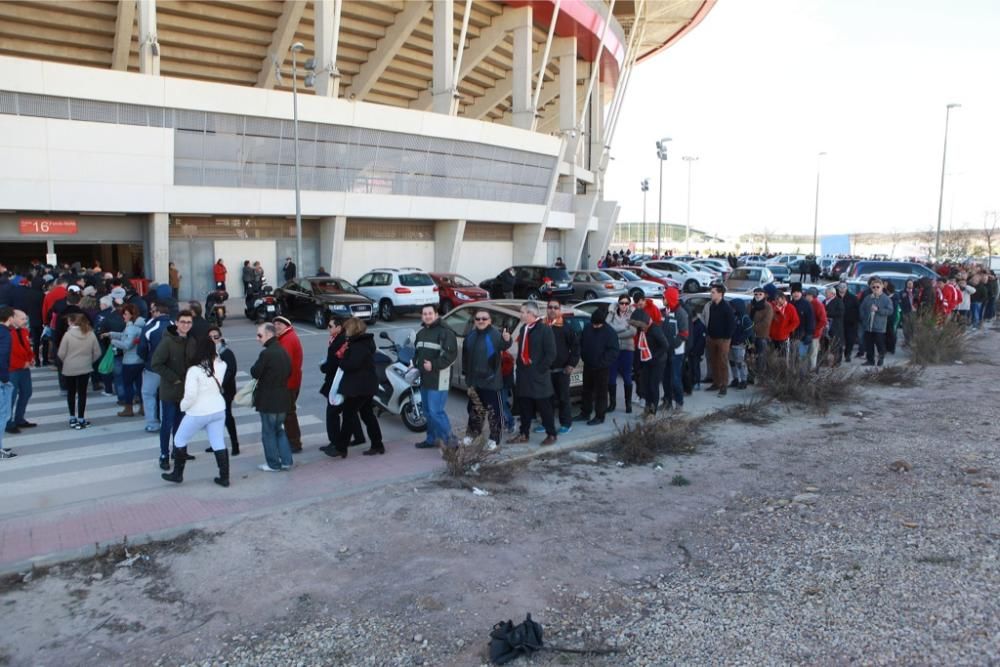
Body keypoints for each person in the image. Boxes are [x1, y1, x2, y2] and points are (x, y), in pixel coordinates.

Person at [161, 336, 230, 487]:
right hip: (218, 409)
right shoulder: (222, 365)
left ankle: (177, 474)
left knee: (179, 440)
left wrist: (183, 407)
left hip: (199, 411)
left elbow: (191, 395)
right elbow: (218, 360)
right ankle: (224, 477)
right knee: (218, 441)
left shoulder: (194, 370)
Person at [330, 318, 384, 457]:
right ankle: (378, 444)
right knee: (367, 415)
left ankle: (341, 448)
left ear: (353, 330)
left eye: (347, 328)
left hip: (359, 388)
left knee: (348, 416)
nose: (345, 331)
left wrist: (341, 361)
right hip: (365, 386)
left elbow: (351, 365)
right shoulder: (363, 342)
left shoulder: (358, 345)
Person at [151, 310, 198, 469]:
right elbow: (156, 364)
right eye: (183, 322)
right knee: (167, 424)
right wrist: (174, 378)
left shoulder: (191, 341)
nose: (186, 325)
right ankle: (164, 454)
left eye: (189, 322)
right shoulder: (167, 342)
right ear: (176, 323)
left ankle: (178, 450)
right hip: (170, 391)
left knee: (181, 424)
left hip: (186, 392)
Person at [507, 302, 557, 446]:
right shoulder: (524, 329)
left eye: (523, 312)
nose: (521, 314)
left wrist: (540, 369)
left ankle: (551, 434)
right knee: (524, 407)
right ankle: (524, 433)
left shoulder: (544, 329)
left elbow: (551, 353)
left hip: (539, 377)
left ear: (531, 313)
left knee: (544, 407)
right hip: (524, 376)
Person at [461, 309, 511, 445]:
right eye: (478, 319)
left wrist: (507, 339)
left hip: (491, 383)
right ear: (474, 321)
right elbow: (465, 357)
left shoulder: (495, 335)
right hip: (475, 383)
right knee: (475, 411)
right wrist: (467, 377)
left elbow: (504, 345)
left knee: (494, 413)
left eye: (484, 318)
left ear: (490, 321)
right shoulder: (470, 336)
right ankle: (472, 434)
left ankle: (494, 439)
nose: (481, 321)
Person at [251, 322, 294, 471]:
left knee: (268, 433)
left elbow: (255, 372)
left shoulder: (267, 353)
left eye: (259, 335)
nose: (258, 338)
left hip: (269, 400)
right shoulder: (283, 350)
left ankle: (273, 464)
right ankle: (286, 460)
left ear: (269, 335)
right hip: (282, 398)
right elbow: (289, 371)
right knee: (279, 430)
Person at [413, 305, 458, 448]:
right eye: (424, 314)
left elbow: (451, 356)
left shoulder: (445, 332)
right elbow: (417, 354)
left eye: (430, 313)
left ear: (436, 314)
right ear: (422, 316)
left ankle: (451, 441)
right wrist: (415, 363)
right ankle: (431, 439)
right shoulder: (420, 333)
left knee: (435, 412)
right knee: (427, 412)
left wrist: (433, 365)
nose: (427, 316)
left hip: (440, 379)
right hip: (425, 378)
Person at [319, 318, 364, 454]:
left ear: (339, 327)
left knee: (332, 413)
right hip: (345, 381)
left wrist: (323, 368)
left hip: (337, 381)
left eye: (330, 326)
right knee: (348, 409)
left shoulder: (340, 342)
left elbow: (334, 364)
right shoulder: (342, 339)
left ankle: (335, 443)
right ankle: (359, 436)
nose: (328, 328)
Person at [57, 313, 102, 429]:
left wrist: (67, 361)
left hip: (69, 367)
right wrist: (89, 360)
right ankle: (81, 418)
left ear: (72, 322)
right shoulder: (90, 334)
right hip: (85, 366)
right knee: (82, 393)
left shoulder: (67, 335)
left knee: (71, 393)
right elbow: (97, 352)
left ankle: (72, 417)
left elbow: (61, 353)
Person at [540, 300, 579, 435]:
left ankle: (566, 424)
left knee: (563, 398)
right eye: (550, 307)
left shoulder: (566, 328)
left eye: (555, 308)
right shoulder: (542, 326)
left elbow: (575, 348)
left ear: (560, 310)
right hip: (545, 371)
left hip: (561, 370)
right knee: (545, 399)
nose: (552, 310)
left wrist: (571, 364)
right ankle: (546, 423)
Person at [574, 309, 619, 425]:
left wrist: (602, 362)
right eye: (593, 323)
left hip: (601, 368)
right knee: (586, 391)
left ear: (602, 323)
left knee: (601, 393)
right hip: (588, 365)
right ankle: (585, 412)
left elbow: (613, 351)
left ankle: (600, 416)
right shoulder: (588, 328)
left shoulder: (610, 333)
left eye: (597, 324)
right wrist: (584, 356)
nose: (594, 326)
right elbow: (581, 342)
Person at [630, 300, 670, 415]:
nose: (639, 328)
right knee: (645, 385)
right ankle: (647, 408)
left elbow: (665, 345)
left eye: (640, 325)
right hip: (646, 361)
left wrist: (654, 357)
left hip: (658, 361)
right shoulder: (642, 330)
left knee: (653, 386)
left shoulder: (655, 330)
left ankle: (653, 411)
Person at [104, 304, 145, 417]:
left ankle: (128, 408)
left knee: (128, 385)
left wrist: (113, 341)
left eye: (126, 314)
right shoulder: (139, 326)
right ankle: (142, 407)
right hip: (139, 360)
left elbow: (127, 344)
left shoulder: (130, 328)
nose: (123, 316)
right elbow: (125, 336)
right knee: (139, 385)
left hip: (130, 361)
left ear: (132, 315)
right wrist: (112, 334)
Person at [138, 302, 172, 437]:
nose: (151, 313)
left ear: (158, 312)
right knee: (166, 397)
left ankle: (152, 423)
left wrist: (147, 360)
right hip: (171, 368)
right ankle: (167, 423)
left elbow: (142, 348)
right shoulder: (175, 325)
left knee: (148, 394)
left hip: (153, 368)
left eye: (153, 311)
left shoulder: (150, 327)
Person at [272, 316, 305, 451]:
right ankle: (293, 441)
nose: (276, 326)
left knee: (289, 414)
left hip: (288, 383)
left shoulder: (287, 340)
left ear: (287, 325)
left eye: (279, 324)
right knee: (289, 413)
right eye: (275, 324)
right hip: (291, 381)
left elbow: (284, 364)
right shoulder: (287, 337)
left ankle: (294, 443)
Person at [206, 326, 239, 455]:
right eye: (210, 337)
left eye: (216, 337)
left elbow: (231, 371)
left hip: (225, 391)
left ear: (220, 338)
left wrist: (220, 384)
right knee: (212, 418)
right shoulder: (206, 352)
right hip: (211, 391)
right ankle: (215, 443)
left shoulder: (226, 352)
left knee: (227, 417)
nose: (213, 339)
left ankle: (235, 444)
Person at [5, 309, 35, 433]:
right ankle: (8, 422)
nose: (25, 321)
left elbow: (27, 346)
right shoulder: (7, 332)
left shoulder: (23, 331)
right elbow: (9, 353)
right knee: (10, 397)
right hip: (13, 369)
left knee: (26, 392)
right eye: (22, 319)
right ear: (13, 318)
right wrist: (23, 363)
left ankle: (19, 418)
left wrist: (31, 358)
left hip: (24, 368)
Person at [703, 285, 736, 396]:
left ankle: (724, 385)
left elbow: (732, 324)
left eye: (713, 292)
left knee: (722, 362)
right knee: (713, 361)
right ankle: (716, 383)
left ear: (720, 293)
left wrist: (727, 337)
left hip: (723, 339)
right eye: (711, 292)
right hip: (712, 338)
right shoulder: (712, 306)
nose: (711, 294)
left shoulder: (726, 307)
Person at [606, 296, 636, 413]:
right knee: (611, 377)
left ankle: (628, 404)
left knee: (627, 376)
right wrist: (624, 328)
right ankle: (612, 404)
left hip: (627, 349)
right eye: (622, 303)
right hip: (614, 350)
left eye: (626, 303)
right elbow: (607, 327)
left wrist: (615, 334)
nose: (624, 305)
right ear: (618, 304)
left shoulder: (632, 315)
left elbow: (632, 332)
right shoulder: (612, 313)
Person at [859, 279, 893, 367]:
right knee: (869, 344)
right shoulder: (867, 298)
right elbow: (862, 309)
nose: (876, 289)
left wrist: (878, 310)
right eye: (873, 287)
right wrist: (864, 318)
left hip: (879, 327)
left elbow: (890, 311)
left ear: (882, 287)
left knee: (880, 344)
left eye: (878, 287)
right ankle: (870, 360)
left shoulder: (886, 299)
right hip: (868, 326)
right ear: (871, 288)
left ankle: (881, 358)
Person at [0, 308, 16, 459]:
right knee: (2, 414)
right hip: (0, 378)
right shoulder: (5, 334)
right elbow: (2, 356)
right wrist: (5, 379)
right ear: (9, 318)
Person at [768, 292, 799, 361]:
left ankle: (783, 370)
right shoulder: (772, 306)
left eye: (779, 299)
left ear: (784, 299)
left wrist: (786, 330)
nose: (777, 302)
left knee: (783, 357)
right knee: (771, 357)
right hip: (772, 337)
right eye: (776, 300)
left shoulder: (790, 308)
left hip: (783, 337)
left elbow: (795, 321)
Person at [749, 287, 773, 374]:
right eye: (756, 294)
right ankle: (751, 374)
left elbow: (766, 323)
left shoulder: (768, 307)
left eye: (760, 294)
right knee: (750, 355)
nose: (758, 296)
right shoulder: (750, 305)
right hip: (750, 336)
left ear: (764, 295)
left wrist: (752, 328)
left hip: (762, 335)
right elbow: (746, 318)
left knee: (761, 356)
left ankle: (760, 375)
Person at [728, 299, 750, 390]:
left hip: (739, 344)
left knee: (740, 362)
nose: (732, 308)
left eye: (733, 307)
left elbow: (748, 332)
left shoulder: (744, 318)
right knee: (732, 362)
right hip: (731, 343)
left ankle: (744, 380)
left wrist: (740, 340)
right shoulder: (733, 316)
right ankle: (735, 378)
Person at [789, 286, 815, 368]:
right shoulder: (790, 304)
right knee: (792, 358)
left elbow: (811, 320)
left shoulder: (806, 304)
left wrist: (809, 334)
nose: (796, 294)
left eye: (798, 292)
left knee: (801, 357)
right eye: (794, 292)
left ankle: (802, 377)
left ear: (801, 293)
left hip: (803, 336)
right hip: (791, 335)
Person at [805, 287, 827, 371]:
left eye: (807, 295)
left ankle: (812, 370)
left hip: (815, 334)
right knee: (810, 354)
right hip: (810, 333)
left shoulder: (817, 305)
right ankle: (810, 370)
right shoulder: (809, 303)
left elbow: (823, 321)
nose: (806, 296)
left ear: (812, 296)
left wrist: (815, 330)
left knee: (813, 354)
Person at [839, 283, 860, 362]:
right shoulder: (836, 297)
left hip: (850, 322)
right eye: (840, 287)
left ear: (847, 288)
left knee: (850, 340)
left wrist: (855, 320)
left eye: (844, 287)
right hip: (839, 323)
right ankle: (839, 355)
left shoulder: (853, 298)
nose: (842, 288)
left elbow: (858, 310)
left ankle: (848, 354)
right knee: (839, 340)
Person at [824, 286, 845, 366]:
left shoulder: (838, 301)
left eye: (827, 293)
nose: (825, 294)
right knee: (825, 344)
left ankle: (837, 361)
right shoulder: (824, 301)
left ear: (833, 294)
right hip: (826, 327)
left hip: (836, 327)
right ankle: (825, 360)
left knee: (836, 345)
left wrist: (828, 314)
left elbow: (841, 313)